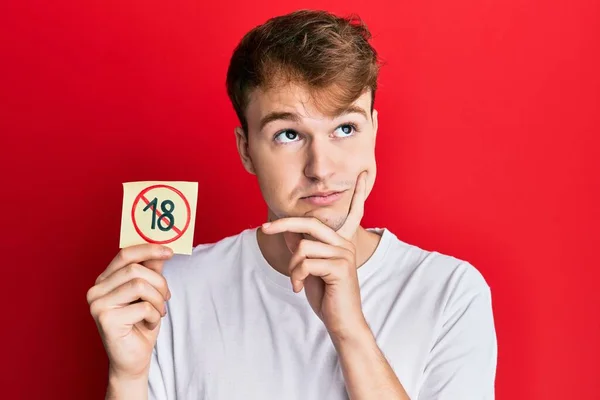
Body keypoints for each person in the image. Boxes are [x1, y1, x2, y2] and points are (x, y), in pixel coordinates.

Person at [87, 9, 497, 400]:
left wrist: (350, 330)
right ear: (246, 149)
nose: (320, 168)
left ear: (373, 131)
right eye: (288, 134)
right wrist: (127, 377)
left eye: (345, 127)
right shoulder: (171, 291)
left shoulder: (450, 292)